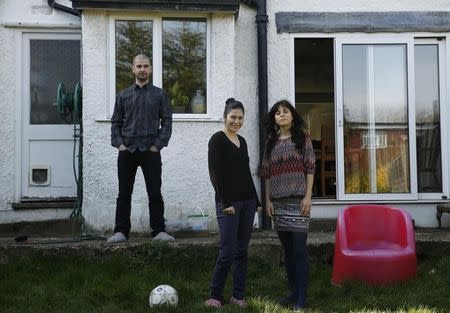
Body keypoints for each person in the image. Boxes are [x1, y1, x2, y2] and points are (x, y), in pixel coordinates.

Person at [108, 54, 174, 243]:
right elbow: (115, 123)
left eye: (146, 66)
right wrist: (120, 145)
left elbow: (167, 121)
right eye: (139, 66)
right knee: (124, 193)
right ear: (133, 69)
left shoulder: (159, 95)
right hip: (127, 151)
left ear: (151, 69)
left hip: (150, 151)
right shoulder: (123, 95)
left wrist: (157, 146)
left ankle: (159, 231)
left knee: (154, 192)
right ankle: (121, 232)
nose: (142, 69)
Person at [205, 98, 262, 309]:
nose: (236, 121)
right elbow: (215, 173)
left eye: (240, 118)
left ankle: (238, 295)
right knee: (227, 251)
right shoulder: (217, 140)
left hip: (247, 202)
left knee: (241, 251)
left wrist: (255, 199)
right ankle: (215, 296)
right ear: (224, 117)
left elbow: (245, 173)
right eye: (233, 117)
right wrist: (224, 201)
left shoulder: (243, 141)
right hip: (228, 203)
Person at [260, 100, 316, 310]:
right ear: (274, 119)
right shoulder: (270, 142)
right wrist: (267, 201)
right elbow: (266, 174)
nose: (281, 115)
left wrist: (308, 197)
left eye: (285, 112)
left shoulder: (303, 138)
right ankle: (293, 293)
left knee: (299, 250)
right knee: (288, 251)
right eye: (277, 113)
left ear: (292, 116)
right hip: (279, 204)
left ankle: (302, 298)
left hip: (298, 202)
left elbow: (310, 167)